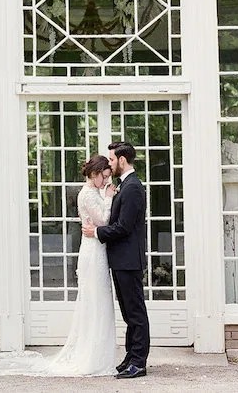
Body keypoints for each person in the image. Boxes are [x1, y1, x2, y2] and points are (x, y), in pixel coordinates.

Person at [0, 154, 117, 377]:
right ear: (94, 175)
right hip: (93, 253)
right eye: (104, 177)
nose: (106, 182)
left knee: (99, 302)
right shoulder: (89, 195)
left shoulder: (94, 192)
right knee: (94, 302)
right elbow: (103, 220)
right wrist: (110, 198)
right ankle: (91, 357)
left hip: (96, 250)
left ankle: (99, 354)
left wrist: (105, 194)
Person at [82, 141, 150, 379]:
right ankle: (131, 356)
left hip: (129, 260)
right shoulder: (125, 185)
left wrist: (97, 233)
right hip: (121, 260)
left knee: (135, 313)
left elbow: (123, 227)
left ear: (122, 160)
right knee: (128, 313)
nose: (109, 163)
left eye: (111, 159)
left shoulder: (132, 187)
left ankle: (139, 362)